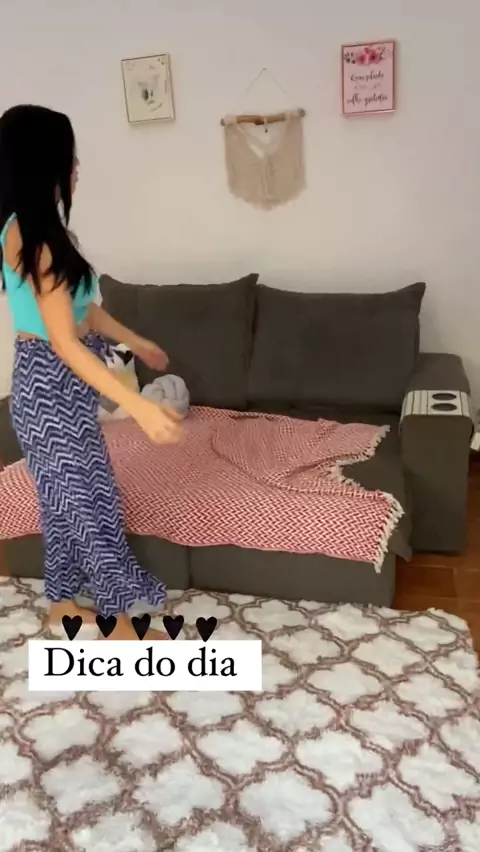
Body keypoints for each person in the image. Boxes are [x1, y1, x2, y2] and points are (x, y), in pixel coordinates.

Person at [0, 104, 182, 640]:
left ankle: (61, 604)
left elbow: (88, 313)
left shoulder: (50, 234)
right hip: (46, 383)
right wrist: (141, 407)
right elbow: (63, 340)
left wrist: (137, 342)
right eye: (69, 155)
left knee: (68, 500)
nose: (77, 166)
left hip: (66, 385)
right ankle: (118, 623)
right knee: (84, 502)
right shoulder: (26, 236)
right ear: (44, 162)